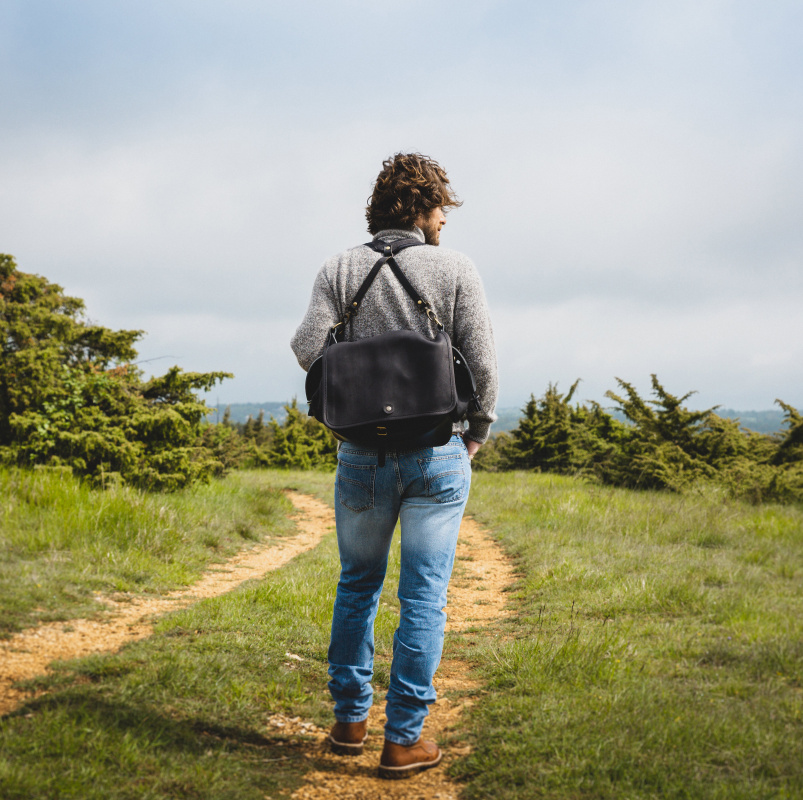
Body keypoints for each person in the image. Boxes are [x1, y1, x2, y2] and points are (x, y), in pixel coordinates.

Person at [291, 152, 497, 779]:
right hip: (437, 451)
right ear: (423, 210)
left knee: (357, 585)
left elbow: (306, 347)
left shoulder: (340, 267)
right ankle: (403, 740)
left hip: (360, 454)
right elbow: (482, 364)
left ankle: (350, 721)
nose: (444, 222)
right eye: (441, 210)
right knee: (424, 597)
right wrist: (477, 431)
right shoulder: (455, 268)